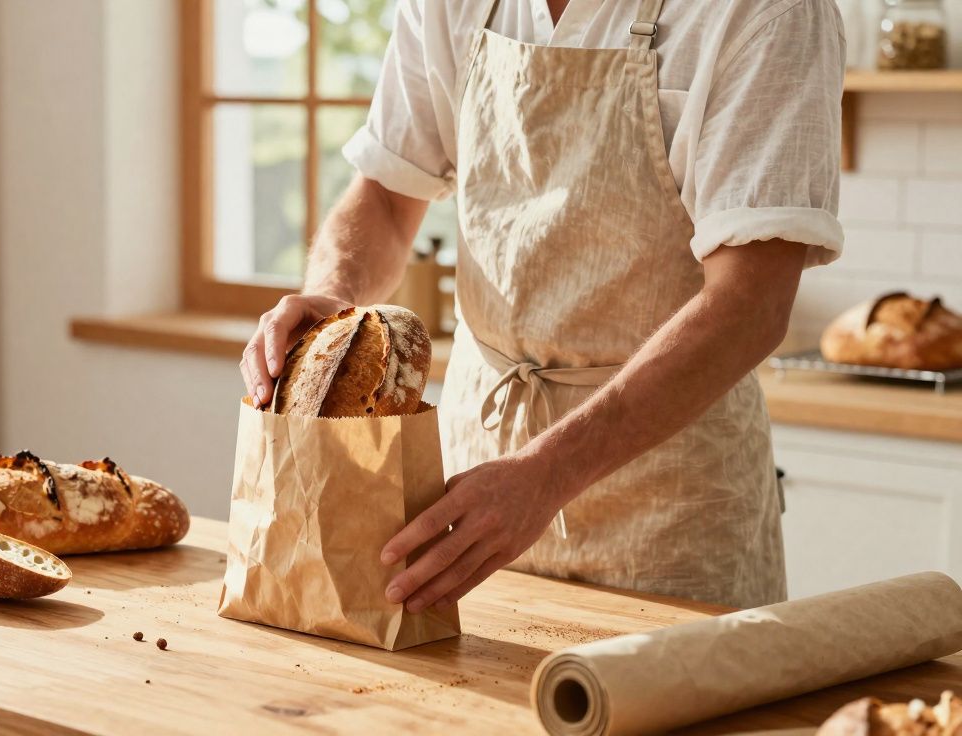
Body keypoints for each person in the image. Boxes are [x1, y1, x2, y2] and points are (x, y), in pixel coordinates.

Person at [239, 0, 845, 611]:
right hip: (472, 487)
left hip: (672, 508)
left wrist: (550, 471)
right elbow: (388, 198)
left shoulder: (769, 11)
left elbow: (750, 303)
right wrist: (333, 292)